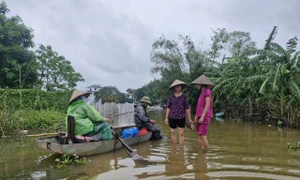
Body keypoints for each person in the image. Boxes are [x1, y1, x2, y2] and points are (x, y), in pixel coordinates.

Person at [165, 79, 193, 145]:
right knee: (173, 132)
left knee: (181, 133)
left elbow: (187, 108)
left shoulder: (184, 97)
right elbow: (168, 107)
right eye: (176, 86)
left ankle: (181, 150)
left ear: (181, 87)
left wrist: (189, 118)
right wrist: (166, 117)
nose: (178, 88)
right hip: (172, 117)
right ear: (174, 88)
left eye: (179, 86)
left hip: (181, 117)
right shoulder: (171, 97)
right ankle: (174, 148)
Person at [191, 75, 213, 152]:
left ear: (202, 84)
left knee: (203, 135)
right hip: (200, 116)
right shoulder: (202, 92)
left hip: (204, 116)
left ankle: (207, 153)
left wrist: (203, 116)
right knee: (200, 135)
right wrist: (196, 115)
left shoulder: (207, 92)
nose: (197, 86)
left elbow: (207, 104)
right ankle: (200, 152)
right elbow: (200, 106)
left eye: (198, 84)